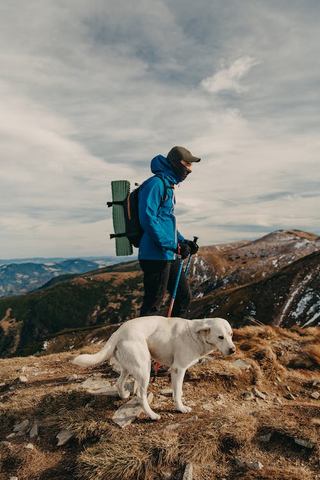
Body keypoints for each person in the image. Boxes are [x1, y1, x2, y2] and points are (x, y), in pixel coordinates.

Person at [138, 146, 201, 319]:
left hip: (169, 254)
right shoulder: (156, 184)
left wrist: (183, 242)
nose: (189, 169)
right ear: (175, 162)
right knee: (153, 305)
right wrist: (173, 245)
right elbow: (148, 220)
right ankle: (141, 345)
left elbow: (166, 220)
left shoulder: (169, 186)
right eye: (187, 164)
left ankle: (173, 342)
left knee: (184, 298)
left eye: (191, 165)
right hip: (155, 255)